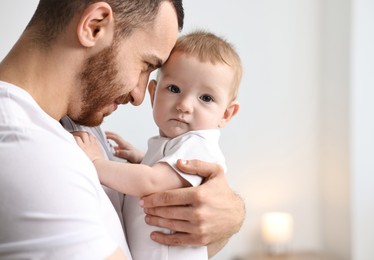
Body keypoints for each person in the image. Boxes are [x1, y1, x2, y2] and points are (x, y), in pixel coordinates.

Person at [0, 0, 244, 259]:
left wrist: (229, 216)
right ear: (95, 26)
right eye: (146, 65)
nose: (140, 96)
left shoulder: (75, 123)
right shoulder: (25, 148)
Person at [73, 30, 242, 260]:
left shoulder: (199, 144)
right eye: (174, 89)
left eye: (205, 98)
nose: (184, 105)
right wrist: (141, 158)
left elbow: (150, 181)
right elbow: (164, 177)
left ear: (226, 114)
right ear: (153, 94)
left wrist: (96, 162)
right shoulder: (173, 145)